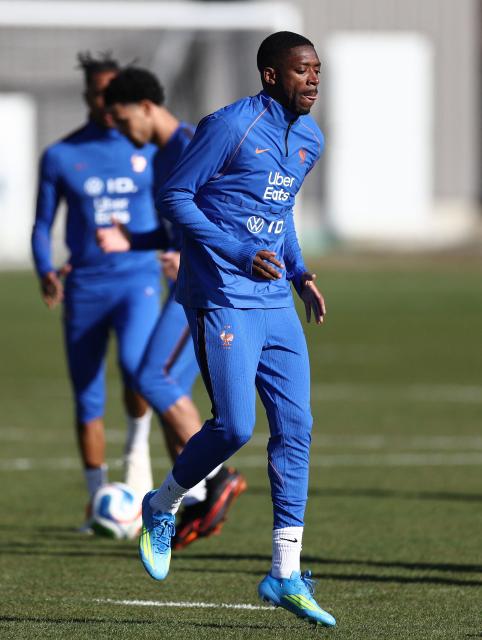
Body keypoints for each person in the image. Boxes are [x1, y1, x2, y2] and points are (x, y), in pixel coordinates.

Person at [134, 31, 336, 627]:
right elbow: (175, 195)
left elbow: (280, 211)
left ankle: (285, 572)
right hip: (222, 293)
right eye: (303, 71)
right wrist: (235, 249)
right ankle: (162, 504)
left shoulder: (311, 139)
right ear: (271, 75)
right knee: (235, 426)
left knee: (296, 427)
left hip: (275, 299)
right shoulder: (228, 126)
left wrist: (298, 271)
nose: (314, 81)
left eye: (318, 71)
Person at [96, 67, 247, 550]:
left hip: (206, 282)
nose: (121, 132)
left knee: (153, 378)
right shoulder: (161, 157)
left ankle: (218, 480)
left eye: (122, 121)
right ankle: (197, 495)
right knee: (165, 393)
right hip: (186, 280)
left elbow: (224, 213)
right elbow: (172, 230)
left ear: (145, 106)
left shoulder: (189, 142)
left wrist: (189, 255)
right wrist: (134, 238)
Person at [31, 53, 161, 528]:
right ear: (87, 95)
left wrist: (174, 248)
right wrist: (45, 267)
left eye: (114, 92)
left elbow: (175, 203)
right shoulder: (62, 155)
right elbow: (43, 224)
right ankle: (95, 501)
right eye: (98, 92)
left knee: (135, 370)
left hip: (138, 281)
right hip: (85, 287)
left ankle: (137, 462)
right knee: (87, 395)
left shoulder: (149, 149)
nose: (106, 101)